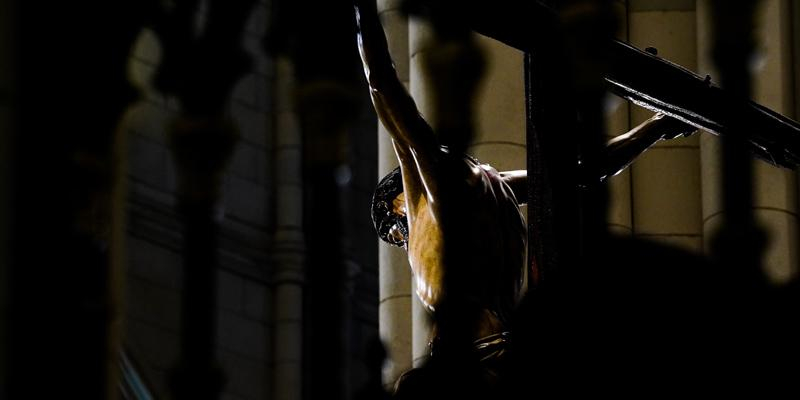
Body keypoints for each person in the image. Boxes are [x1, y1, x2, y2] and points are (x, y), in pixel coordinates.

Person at [355, 0, 695, 395]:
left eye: (401, 230)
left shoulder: (459, 189)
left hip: (487, 360)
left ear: (399, 203)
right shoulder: (479, 188)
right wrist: (656, 127)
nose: (409, 236)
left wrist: (656, 125)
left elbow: (381, 82)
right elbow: (587, 169)